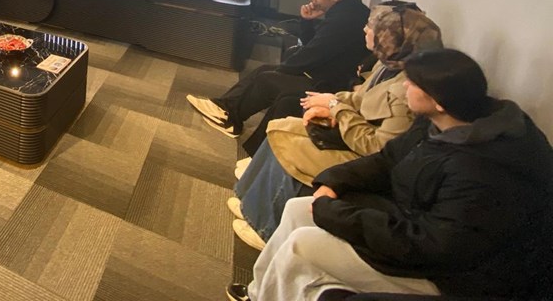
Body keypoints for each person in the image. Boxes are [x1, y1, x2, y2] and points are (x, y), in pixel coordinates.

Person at [227, 49, 553, 301]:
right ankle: (259, 293)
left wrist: (337, 215)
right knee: (297, 208)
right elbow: (388, 159)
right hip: (414, 224)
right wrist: (333, 182)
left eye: (413, 83)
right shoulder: (444, 121)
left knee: (302, 246)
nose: (405, 86)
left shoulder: (481, 171)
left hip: (450, 277)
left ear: (438, 101)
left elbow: (431, 245)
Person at [229, 3, 442, 250]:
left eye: (374, 28)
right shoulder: (388, 67)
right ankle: (249, 200)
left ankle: (264, 227)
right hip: (354, 131)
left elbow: (378, 149)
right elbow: (362, 98)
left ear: (394, 42)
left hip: (366, 157)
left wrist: (336, 109)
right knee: (282, 125)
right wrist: (333, 103)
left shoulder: (404, 92)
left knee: (292, 144)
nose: (366, 30)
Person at [188, 0, 369, 153]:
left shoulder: (344, 20)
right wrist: (306, 22)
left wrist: (283, 69)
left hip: (330, 84)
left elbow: (312, 53)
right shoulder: (347, 11)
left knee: (268, 79)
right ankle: (225, 109)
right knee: (265, 70)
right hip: (325, 73)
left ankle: (230, 117)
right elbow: (314, 46)